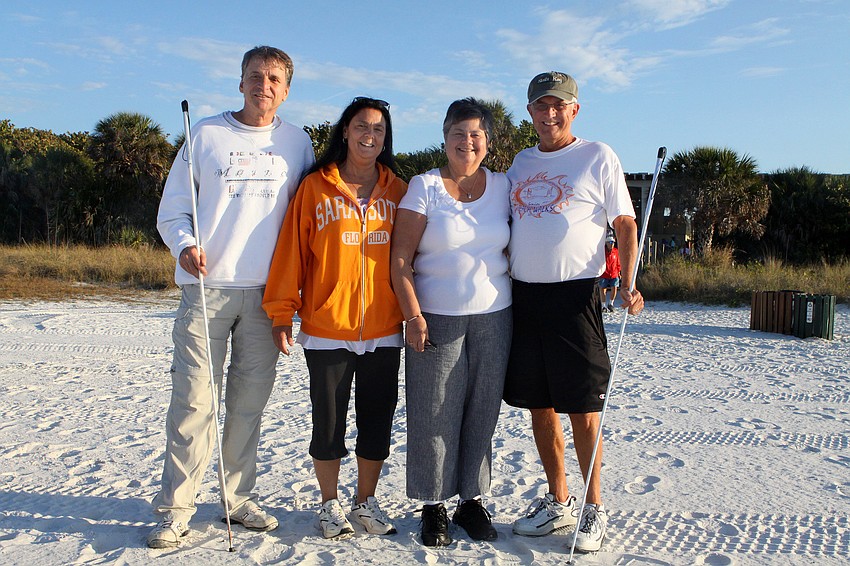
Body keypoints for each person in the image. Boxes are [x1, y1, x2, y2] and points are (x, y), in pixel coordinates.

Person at [150, 46, 315, 548]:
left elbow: (306, 219)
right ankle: (177, 508)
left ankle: (236, 497)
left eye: (274, 79)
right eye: (255, 76)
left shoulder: (299, 142)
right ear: (240, 83)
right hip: (208, 291)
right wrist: (185, 247)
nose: (263, 85)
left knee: (247, 405)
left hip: (269, 297)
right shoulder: (204, 133)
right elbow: (173, 212)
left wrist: (299, 294)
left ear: (286, 89)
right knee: (195, 402)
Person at [504, 71, 644, 553]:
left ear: (574, 110)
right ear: (530, 113)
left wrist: (627, 282)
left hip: (576, 298)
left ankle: (593, 506)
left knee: (584, 407)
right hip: (524, 298)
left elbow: (624, 224)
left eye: (558, 105)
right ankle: (559, 501)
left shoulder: (597, 155)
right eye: (541, 106)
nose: (549, 114)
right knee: (539, 405)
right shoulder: (520, 163)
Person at [262, 97, 406, 540]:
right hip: (326, 329)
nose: (370, 135)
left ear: (386, 138)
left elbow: (416, 256)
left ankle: (365, 502)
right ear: (345, 131)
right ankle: (329, 504)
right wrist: (281, 311)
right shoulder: (315, 188)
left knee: (377, 418)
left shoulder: (399, 191)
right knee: (328, 421)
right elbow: (291, 252)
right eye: (362, 126)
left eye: (379, 129)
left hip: (383, 328)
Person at [390, 98, 512, 547]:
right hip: (435, 316)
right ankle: (434, 505)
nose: (467, 142)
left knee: (483, 409)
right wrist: (413, 314)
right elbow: (400, 258)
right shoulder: (424, 186)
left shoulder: (503, 185)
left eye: (476, 134)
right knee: (433, 410)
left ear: (488, 142)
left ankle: (471, 501)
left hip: (496, 315)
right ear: (444, 138)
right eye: (458, 133)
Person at [599, 235, 621, 312]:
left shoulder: (616, 251)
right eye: (610, 242)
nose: (612, 244)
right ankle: (603, 305)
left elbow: (618, 262)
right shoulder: (602, 251)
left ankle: (611, 303)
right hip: (604, 273)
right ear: (606, 243)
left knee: (614, 287)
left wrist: (619, 271)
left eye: (613, 243)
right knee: (603, 289)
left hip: (614, 273)